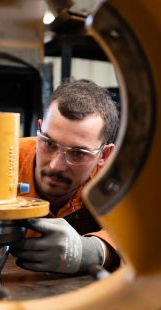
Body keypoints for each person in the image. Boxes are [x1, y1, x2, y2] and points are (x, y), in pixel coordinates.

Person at [10, 79, 121, 275]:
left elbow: (146, 237)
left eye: (78, 153)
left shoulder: (116, 182)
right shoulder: (0, 162)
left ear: (103, 155)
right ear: (39, 129)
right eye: (49, 144)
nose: (56, 165)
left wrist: (97, 251)